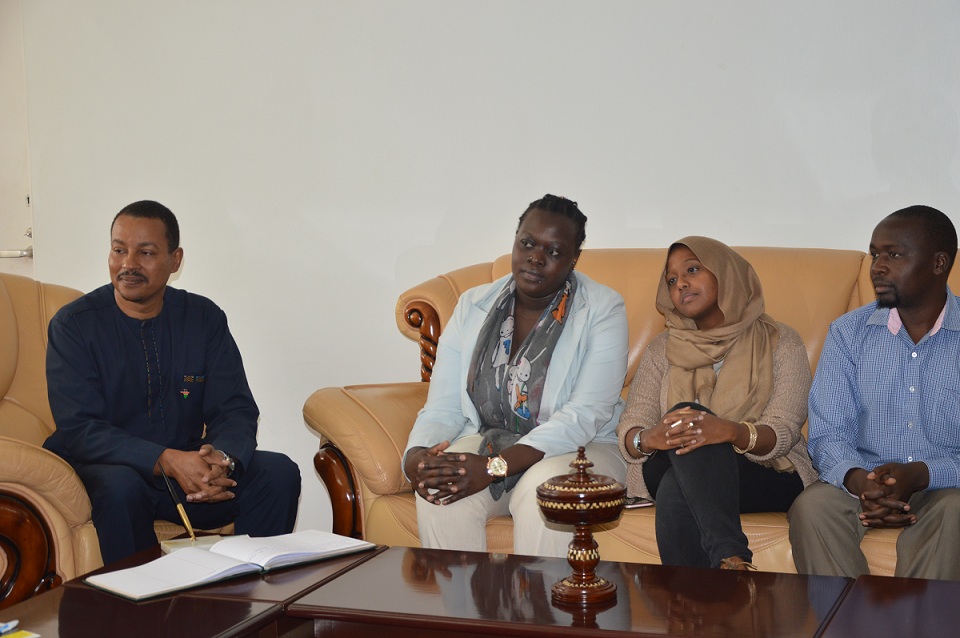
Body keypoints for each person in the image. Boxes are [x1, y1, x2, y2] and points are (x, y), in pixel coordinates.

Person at [44, 200, 300, 564]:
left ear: (175, 260)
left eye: (145, 252)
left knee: (278, 473)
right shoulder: (75, 325)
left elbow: (235, 407)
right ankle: (138, 610)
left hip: (187, 475)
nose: (128, 264)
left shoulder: (203, 318)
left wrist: (221, 461)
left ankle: (253, 598)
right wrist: (163, 459)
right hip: (111, 472)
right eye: (119, 250)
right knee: (121, 487)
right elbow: (79, 429)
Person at [403, 194, 628, 558]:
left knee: (545, 493)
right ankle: (460, 615)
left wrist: (495, 467)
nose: (536, 258)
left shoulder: (602, 309)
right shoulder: (472, 306)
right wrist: (416, 458)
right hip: (491, 439)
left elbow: (586, 414)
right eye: (527, 243)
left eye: (554, 252)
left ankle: (544, 616)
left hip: (582, 449)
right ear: (515, 240)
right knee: (438, 490)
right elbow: (443, 406)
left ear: (574, 259)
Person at [617, 237, 816, 570]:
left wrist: (728, 432)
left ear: (727, 274)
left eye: (692, 270)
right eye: (671, 280)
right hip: (667, 460)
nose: (680, 283)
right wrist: (649, 438)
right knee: (689, 431)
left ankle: (688, 609)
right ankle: (730, 558)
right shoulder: (660, 349)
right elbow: (631, 425)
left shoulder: (781, 341)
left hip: (763, 472)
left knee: (676, 483)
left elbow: (783, 431)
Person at [789, 205, 960, 580]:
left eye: (894, 255)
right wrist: (859, 480)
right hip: (862, 479)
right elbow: (828, 432)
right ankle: (847, 625)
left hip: (945, 485)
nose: (878, 266)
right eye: (874, 253)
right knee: (812, 508)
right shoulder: (848, 332)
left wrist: (921, 474)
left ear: (939, 263)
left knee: (955, 512)